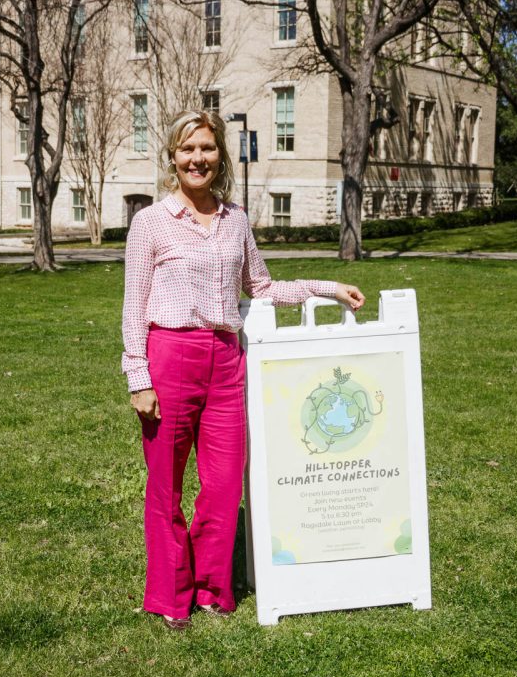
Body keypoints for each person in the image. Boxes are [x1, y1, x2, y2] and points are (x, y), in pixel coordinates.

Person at [121, 109, 365, 630]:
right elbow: (132, 305)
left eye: (207, 149)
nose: (198, 159)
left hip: (226, 361)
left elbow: (265, 288)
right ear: (172, 157)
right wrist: (137, 376)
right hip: (170, 357)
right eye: (188, 149)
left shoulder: (235, 221)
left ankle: (211, 588)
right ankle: (171, 596)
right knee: (166, 484)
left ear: (220, 156)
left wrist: (326, 287)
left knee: (225, 484)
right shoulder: (151, 223)